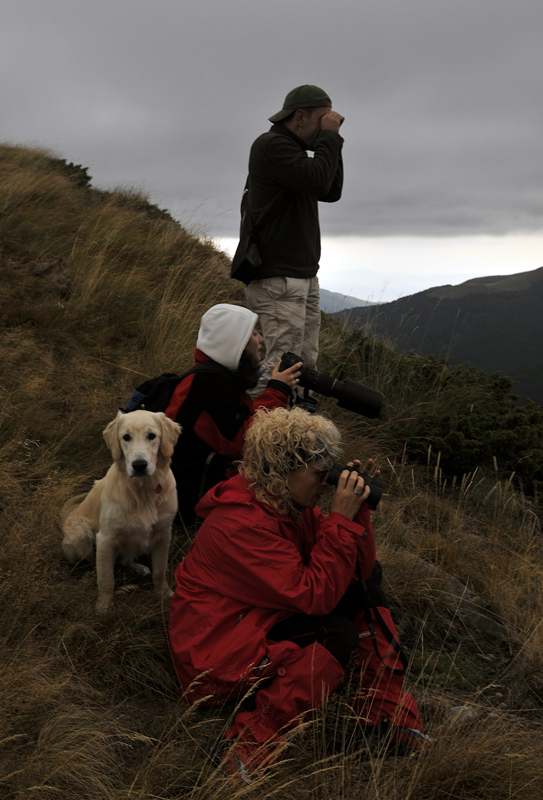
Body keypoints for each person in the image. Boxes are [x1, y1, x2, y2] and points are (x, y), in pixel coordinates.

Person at [169, 407, 431, 786]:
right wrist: (340, 519)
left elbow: (358, 570)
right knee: (335, 635)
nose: (326, 483)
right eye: (320, 473)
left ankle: (382, 715)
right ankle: (245, 747)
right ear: (281, 472)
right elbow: (314, 597)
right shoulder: (239, 524)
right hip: (216, 657)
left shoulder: (289, 506)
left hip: (258, 621)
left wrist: (357, 515)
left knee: (365, 586)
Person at [236, 84, 345, 397]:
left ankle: (294, 424)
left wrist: (332, 142)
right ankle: (255, 423)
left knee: (304, 367)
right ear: (300, 117)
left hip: (301, 276)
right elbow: (318, 180)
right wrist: (330, 137)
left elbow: (330, 190)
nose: (329, 123)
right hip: (279, 278)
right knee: (281, 367)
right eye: (323, 118)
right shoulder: (271, 145)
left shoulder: (296, 156)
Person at [164, 303, 301, 526]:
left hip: (193, 490)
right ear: (236, 342)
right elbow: (251, 442)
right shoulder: (207, 384)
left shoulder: (215, 377)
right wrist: (277, 391)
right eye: (254, 334)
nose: (261, 339)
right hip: (192, 504)